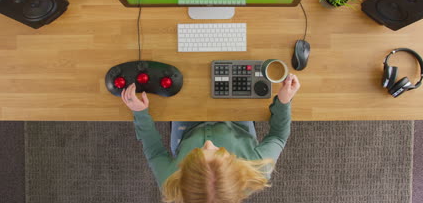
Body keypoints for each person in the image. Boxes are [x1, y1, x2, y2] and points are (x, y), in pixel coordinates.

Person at [121, 73, 300, 203]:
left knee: (182, 75)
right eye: (219, 151)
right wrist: (284, 101)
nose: (207, 143)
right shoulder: (259, 167)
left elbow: (155, 153)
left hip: (187, 129)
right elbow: (278, 136)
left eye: (198, 153)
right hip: (236, 122)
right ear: (235, 166)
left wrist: (140, 113)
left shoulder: (172, 182)